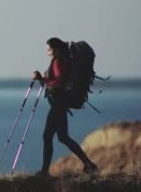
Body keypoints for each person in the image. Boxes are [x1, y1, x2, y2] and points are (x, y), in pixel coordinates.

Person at [32, 38, 99, 176]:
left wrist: (42, 79)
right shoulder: (62, 60)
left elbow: (59, 81)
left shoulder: (58, 62)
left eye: (49, 49)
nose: (48, 53)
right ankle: (89, 164)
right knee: (63, 137)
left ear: (56, 49)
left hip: (58, 104)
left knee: (47, 136)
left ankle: (44, 171)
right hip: (61, 103)